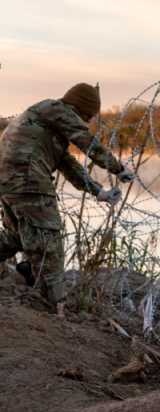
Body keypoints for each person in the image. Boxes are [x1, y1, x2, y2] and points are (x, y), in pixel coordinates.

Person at [0, 83, 134, 308]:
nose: (89, 121)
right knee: (49, 241)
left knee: (16, 236)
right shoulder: (57, 109)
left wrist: (98, 192)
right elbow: (87, 142)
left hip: (9, 181)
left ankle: (38, 281)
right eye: (89, 115)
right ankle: (55, 304)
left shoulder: (46, 122)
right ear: (78, 107)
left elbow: (68, 165)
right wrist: (118, 168)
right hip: (28, 179)